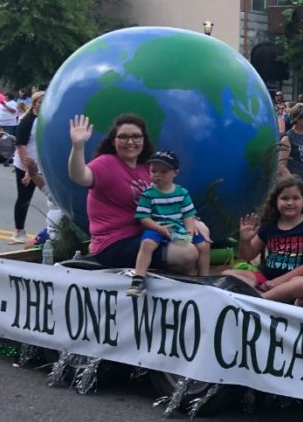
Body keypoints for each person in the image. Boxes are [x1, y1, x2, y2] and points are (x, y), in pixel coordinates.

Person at [67, 114, 201, 273]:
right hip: (115, 243)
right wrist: (78, 146)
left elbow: (168, 200)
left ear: (144, 140)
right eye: (123, 137)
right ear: (114, 141)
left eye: (136, 136)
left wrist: (194, 221)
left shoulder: (148, 169)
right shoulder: (106, 164)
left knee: (198, 239)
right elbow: (79, 175)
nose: (130, 142)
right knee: (186, 253)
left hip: (147, 234)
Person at [225, 177, 303, 303]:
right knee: (228, 274)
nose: (290, 203)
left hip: (294, 281)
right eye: (284, 198)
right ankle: (264, 295)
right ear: (276, 201)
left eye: (295, 198)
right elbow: (248, 255)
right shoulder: (270, 224)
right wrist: (245, 240)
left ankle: (260, 300)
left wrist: (280, 281)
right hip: (265, 280)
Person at [126, 150, 210, 297]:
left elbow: (188, 215)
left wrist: (189, 233)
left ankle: (205, 280)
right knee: (147, 244)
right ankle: (138, 279)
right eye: (153, 171)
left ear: (175, 173)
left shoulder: (182, 193)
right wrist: (158, 228)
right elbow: (143, 217)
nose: (157, 175)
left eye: (163, 171)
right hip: (157, 227)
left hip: (179, 228)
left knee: (203, 245)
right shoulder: (147, 195)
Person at [11, 91, 44, 243]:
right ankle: (19, 231)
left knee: (55, 198)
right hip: (25, 164)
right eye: (40, 102)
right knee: (25, 197)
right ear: (34, 103)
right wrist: (27, 171)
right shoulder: (27, 121)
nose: (43, 105)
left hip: (42, 165)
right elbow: (21, 147)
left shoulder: (46, 119)